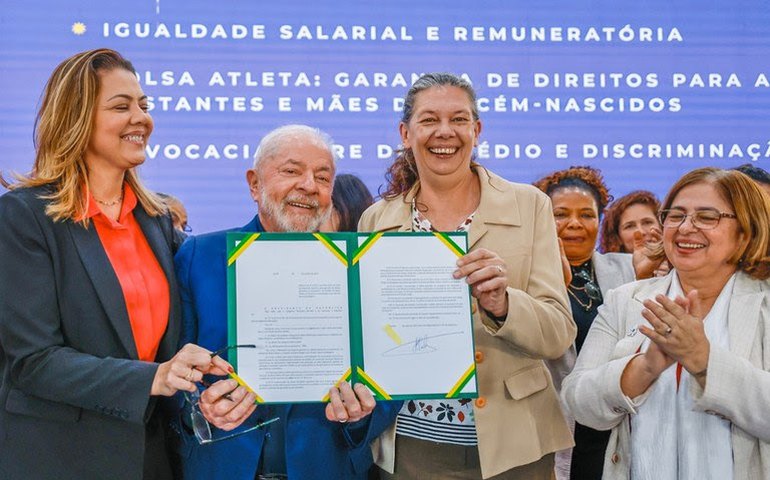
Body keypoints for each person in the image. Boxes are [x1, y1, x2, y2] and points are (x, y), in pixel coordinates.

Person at [0, 48, 226, 480]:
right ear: (76, 118)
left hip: (150, 456)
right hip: (56, 458)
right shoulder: (25, 216)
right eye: (121, 106)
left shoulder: (155, 220)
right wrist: (153, 379)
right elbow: (33, 361)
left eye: (144, 105)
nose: (140, 117)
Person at [360, 73, 576, 480]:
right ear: (406, 133)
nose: (445, 132)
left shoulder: (530, 205)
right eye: (429, 120)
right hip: (412, 444)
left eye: (459, 120)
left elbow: (558, 333)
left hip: (515, 444)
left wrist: (504, 304)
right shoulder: (376, 219)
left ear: (476, 131)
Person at [172, 124, 401, 480]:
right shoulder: (200, 256)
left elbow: (390, 374)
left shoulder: (357, 266)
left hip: (326, 467)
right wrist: (198, 411)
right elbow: (170, 367)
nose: (309, 186)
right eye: (292, 171)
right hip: (221, 466)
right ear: (254, 183)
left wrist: (363, 415)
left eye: (323, 177)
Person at [562, 167, 770, 479]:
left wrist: (704, 361)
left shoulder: (764, 302)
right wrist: (643, 368)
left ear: (745, 231)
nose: (686, 227)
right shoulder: (626, 300)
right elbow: (576, 401)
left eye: (707, 217)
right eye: (675, 215)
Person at [533, 166, 636, 480]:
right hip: (547, 429)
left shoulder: (628, 270)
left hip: (612, 430)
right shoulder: (527, 275)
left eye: (587, 215)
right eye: (560, 214)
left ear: (600, 220)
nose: (574, 224)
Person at [600, 190, 670, 278]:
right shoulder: (606, 277)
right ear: (617, 237)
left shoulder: (683, 266)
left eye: (647, 222)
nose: (641, 231)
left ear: (661, 225)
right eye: (630, 226)